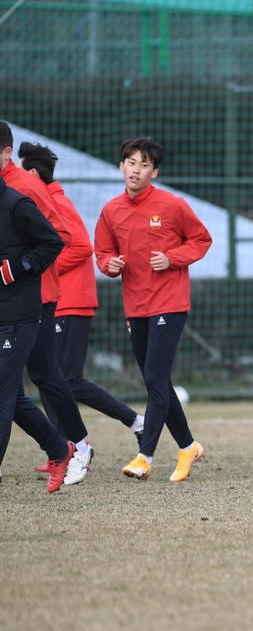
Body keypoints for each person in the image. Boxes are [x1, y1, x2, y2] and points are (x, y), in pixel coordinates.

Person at [94, 138, 213, 481]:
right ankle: (189, 447)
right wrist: (109, 264)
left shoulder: (172, 205)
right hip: (136, 306)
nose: (136, 169)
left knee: (155, 379)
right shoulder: (111, 210)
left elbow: (202, 240)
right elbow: (101, 251)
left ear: (154, 172)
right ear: (121, 166)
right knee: (157, 381)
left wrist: (172, 258)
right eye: (131, 162)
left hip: (170, 303)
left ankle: (144, 456)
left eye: (144, 165)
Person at [18, 142, 146, 451]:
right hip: (58, 300)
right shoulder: (44, 199)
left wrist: (38, 269)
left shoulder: (55, 202)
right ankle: (67, 449)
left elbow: (79, 246)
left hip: (70, 300)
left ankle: (133, 422)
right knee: (51, 379)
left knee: (64, 379)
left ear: (33, 173)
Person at [0, 121, 95, 485]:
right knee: (27, 381)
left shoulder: (24, 186)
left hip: (32, 298)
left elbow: (63, 238)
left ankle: (77, 448)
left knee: (42, 375)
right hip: (11, 298)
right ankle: (63, 447)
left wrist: (23, 270)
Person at [0, 173, 74, 493]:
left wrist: (16, 268)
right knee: (11, 396)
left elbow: (53, 241)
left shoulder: (17, 203)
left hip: (18, 315)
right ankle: (59, 449)